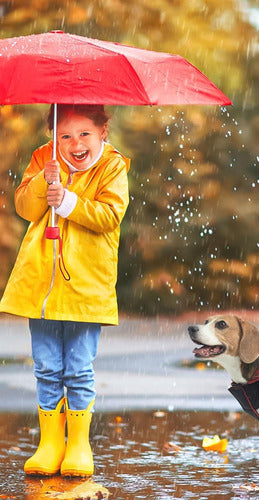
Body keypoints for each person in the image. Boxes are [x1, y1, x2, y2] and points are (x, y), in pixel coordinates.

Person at [0, 104, 130, 477]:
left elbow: (109, 217)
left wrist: (69, 201)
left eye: (85, 133)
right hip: (41, 282)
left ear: (103, 130)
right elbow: (25, 208)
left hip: (84, 285)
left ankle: (78, 443)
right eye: (65, 136)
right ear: (53, 136)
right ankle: (50, 442)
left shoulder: (113, 166)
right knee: (46, 366)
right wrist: (44, 179)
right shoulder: (44, 157)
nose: (75, 144)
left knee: (77, 368)